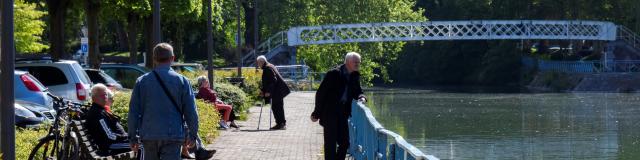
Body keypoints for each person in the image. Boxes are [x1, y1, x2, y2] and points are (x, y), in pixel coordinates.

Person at [128, 43, 205, 160]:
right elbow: (191, 112)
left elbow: (133, 112)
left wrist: (132, 137)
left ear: (154, 59)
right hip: (173, 135)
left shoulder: (141, 81)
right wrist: (192, 135)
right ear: (172, 58)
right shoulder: (182, 81)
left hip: (149, 135)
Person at [311, 52, 366, 160]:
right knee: (330, 143)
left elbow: (358, 91)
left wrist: (362, 97)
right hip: (329, 112)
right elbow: (321, 93)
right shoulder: (334, 73)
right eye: (356, 62)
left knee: (344, 142)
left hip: (343, 112)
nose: (358, 64)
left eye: (359, 62)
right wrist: (316, 113)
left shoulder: (355, 75)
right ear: (348, 62)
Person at [85, 84, 130, 155]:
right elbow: (109, 136)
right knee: (141, 145)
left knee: (143, 142)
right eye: (102, 95)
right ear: (94, 97)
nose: (105, 97)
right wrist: (126, 136)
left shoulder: (100, 110)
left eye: (106, 95)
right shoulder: (97, 113)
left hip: (116, 142)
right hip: (110, 145)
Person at [256, 55, 291, 130]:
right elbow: (267, 82)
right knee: (276, 107)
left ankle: (281, 124)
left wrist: (268, 91)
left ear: (262, 62)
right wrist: (263, 90)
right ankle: (280, 123)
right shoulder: (269, 66)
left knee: (277, 107)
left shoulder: (268, 68)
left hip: (277, 91)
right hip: (277, 91)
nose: (258, 64)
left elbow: (273, 81)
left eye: (258, 63)